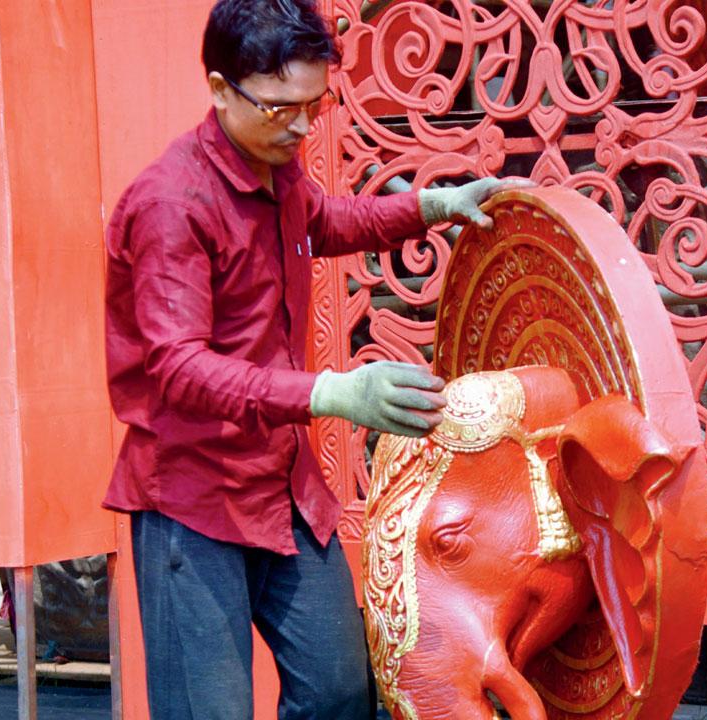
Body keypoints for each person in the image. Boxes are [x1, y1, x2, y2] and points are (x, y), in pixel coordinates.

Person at [101, 1, 525, 717]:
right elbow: (175, 367)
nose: (299, 127)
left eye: (313, 105)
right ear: (218, 88)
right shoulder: (172, 202)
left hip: (282, 486)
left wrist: (432, 206)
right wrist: (332, 393)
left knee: (338, 692)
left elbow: (325, 221)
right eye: (279, 109)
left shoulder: (276, 166)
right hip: (191, 497)